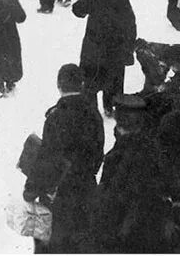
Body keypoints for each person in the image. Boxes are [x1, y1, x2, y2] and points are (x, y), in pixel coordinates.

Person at [23, 64, 104, 254]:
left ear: (59, 85)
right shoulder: (94, 115)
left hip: (58, 194)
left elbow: (47, 159)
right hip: (86, 189)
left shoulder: (56, 117)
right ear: (82, 85)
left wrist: (31, 189)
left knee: (53, 244)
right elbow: (98, 152)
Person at [88, 95, 173, 253]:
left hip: (125, 235)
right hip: (154, 232)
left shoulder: (116, 158)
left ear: (118, 124)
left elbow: (109, 200)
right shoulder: (155, 150)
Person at [72, 0, 137, 116]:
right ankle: (91, 111)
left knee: (112, 79)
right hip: (93, 44)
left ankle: (110, 107)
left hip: (114, 45)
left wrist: (128, 47)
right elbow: (77, 11)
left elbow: (130, 22)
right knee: (90, 79)